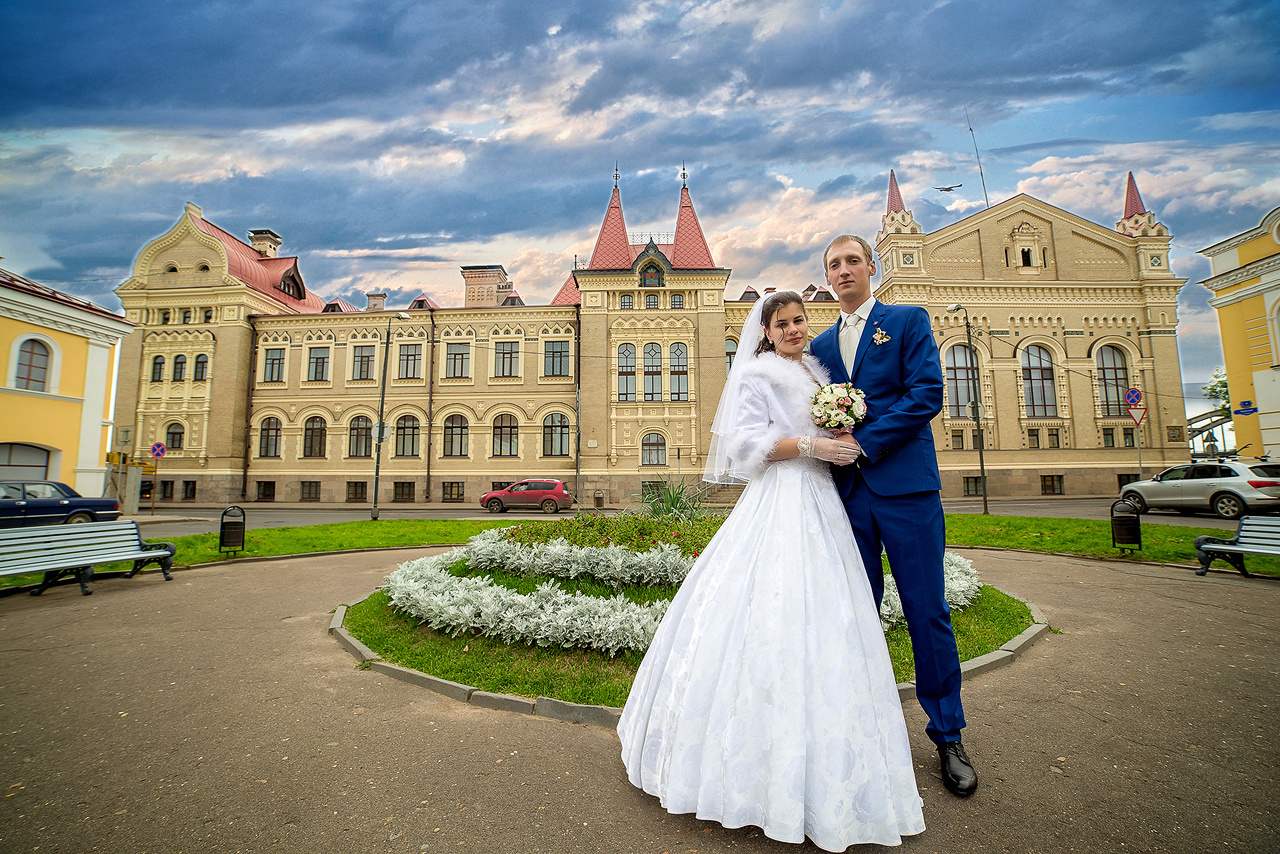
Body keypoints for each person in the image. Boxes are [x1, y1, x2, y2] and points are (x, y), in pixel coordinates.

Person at [618, 291, 926, 851]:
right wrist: (811, 444)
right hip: (782, 496)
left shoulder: (816, 372)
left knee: (829, 618)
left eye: (798, 320)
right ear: (765, 331)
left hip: (823, 500)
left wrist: (839, 439)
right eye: (781, 323)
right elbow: (744, 446)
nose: (792, 329)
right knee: (770, 608)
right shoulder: (756, 375)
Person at [808, 234, 978, 798]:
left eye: (853, 260)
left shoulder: (906, 320)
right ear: (827, 277)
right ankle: (865, 729)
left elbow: (926, 393)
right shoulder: (821, 346)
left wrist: (865, 441)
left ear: (871, 267)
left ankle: (948, 735)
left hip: (906, 489)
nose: (844, 270)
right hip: (849, 496)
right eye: (834, 264)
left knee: (926, 611)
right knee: (856, 615)